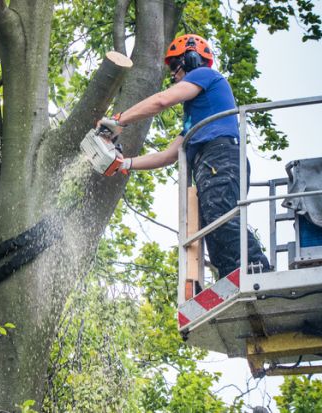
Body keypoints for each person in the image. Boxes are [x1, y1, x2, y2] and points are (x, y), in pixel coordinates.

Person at [98, 34, 270, 278]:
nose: (173, 76)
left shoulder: (204, 75)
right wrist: (123, 163)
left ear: (190, 59)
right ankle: (232, 277)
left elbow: (161, 100)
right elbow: (169, 156)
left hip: (220, 155)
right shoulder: (196, 121)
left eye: (175, 67)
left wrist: (117, 120)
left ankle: (256, 271)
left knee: (221, 215)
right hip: (211, 161)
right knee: (213, 226)